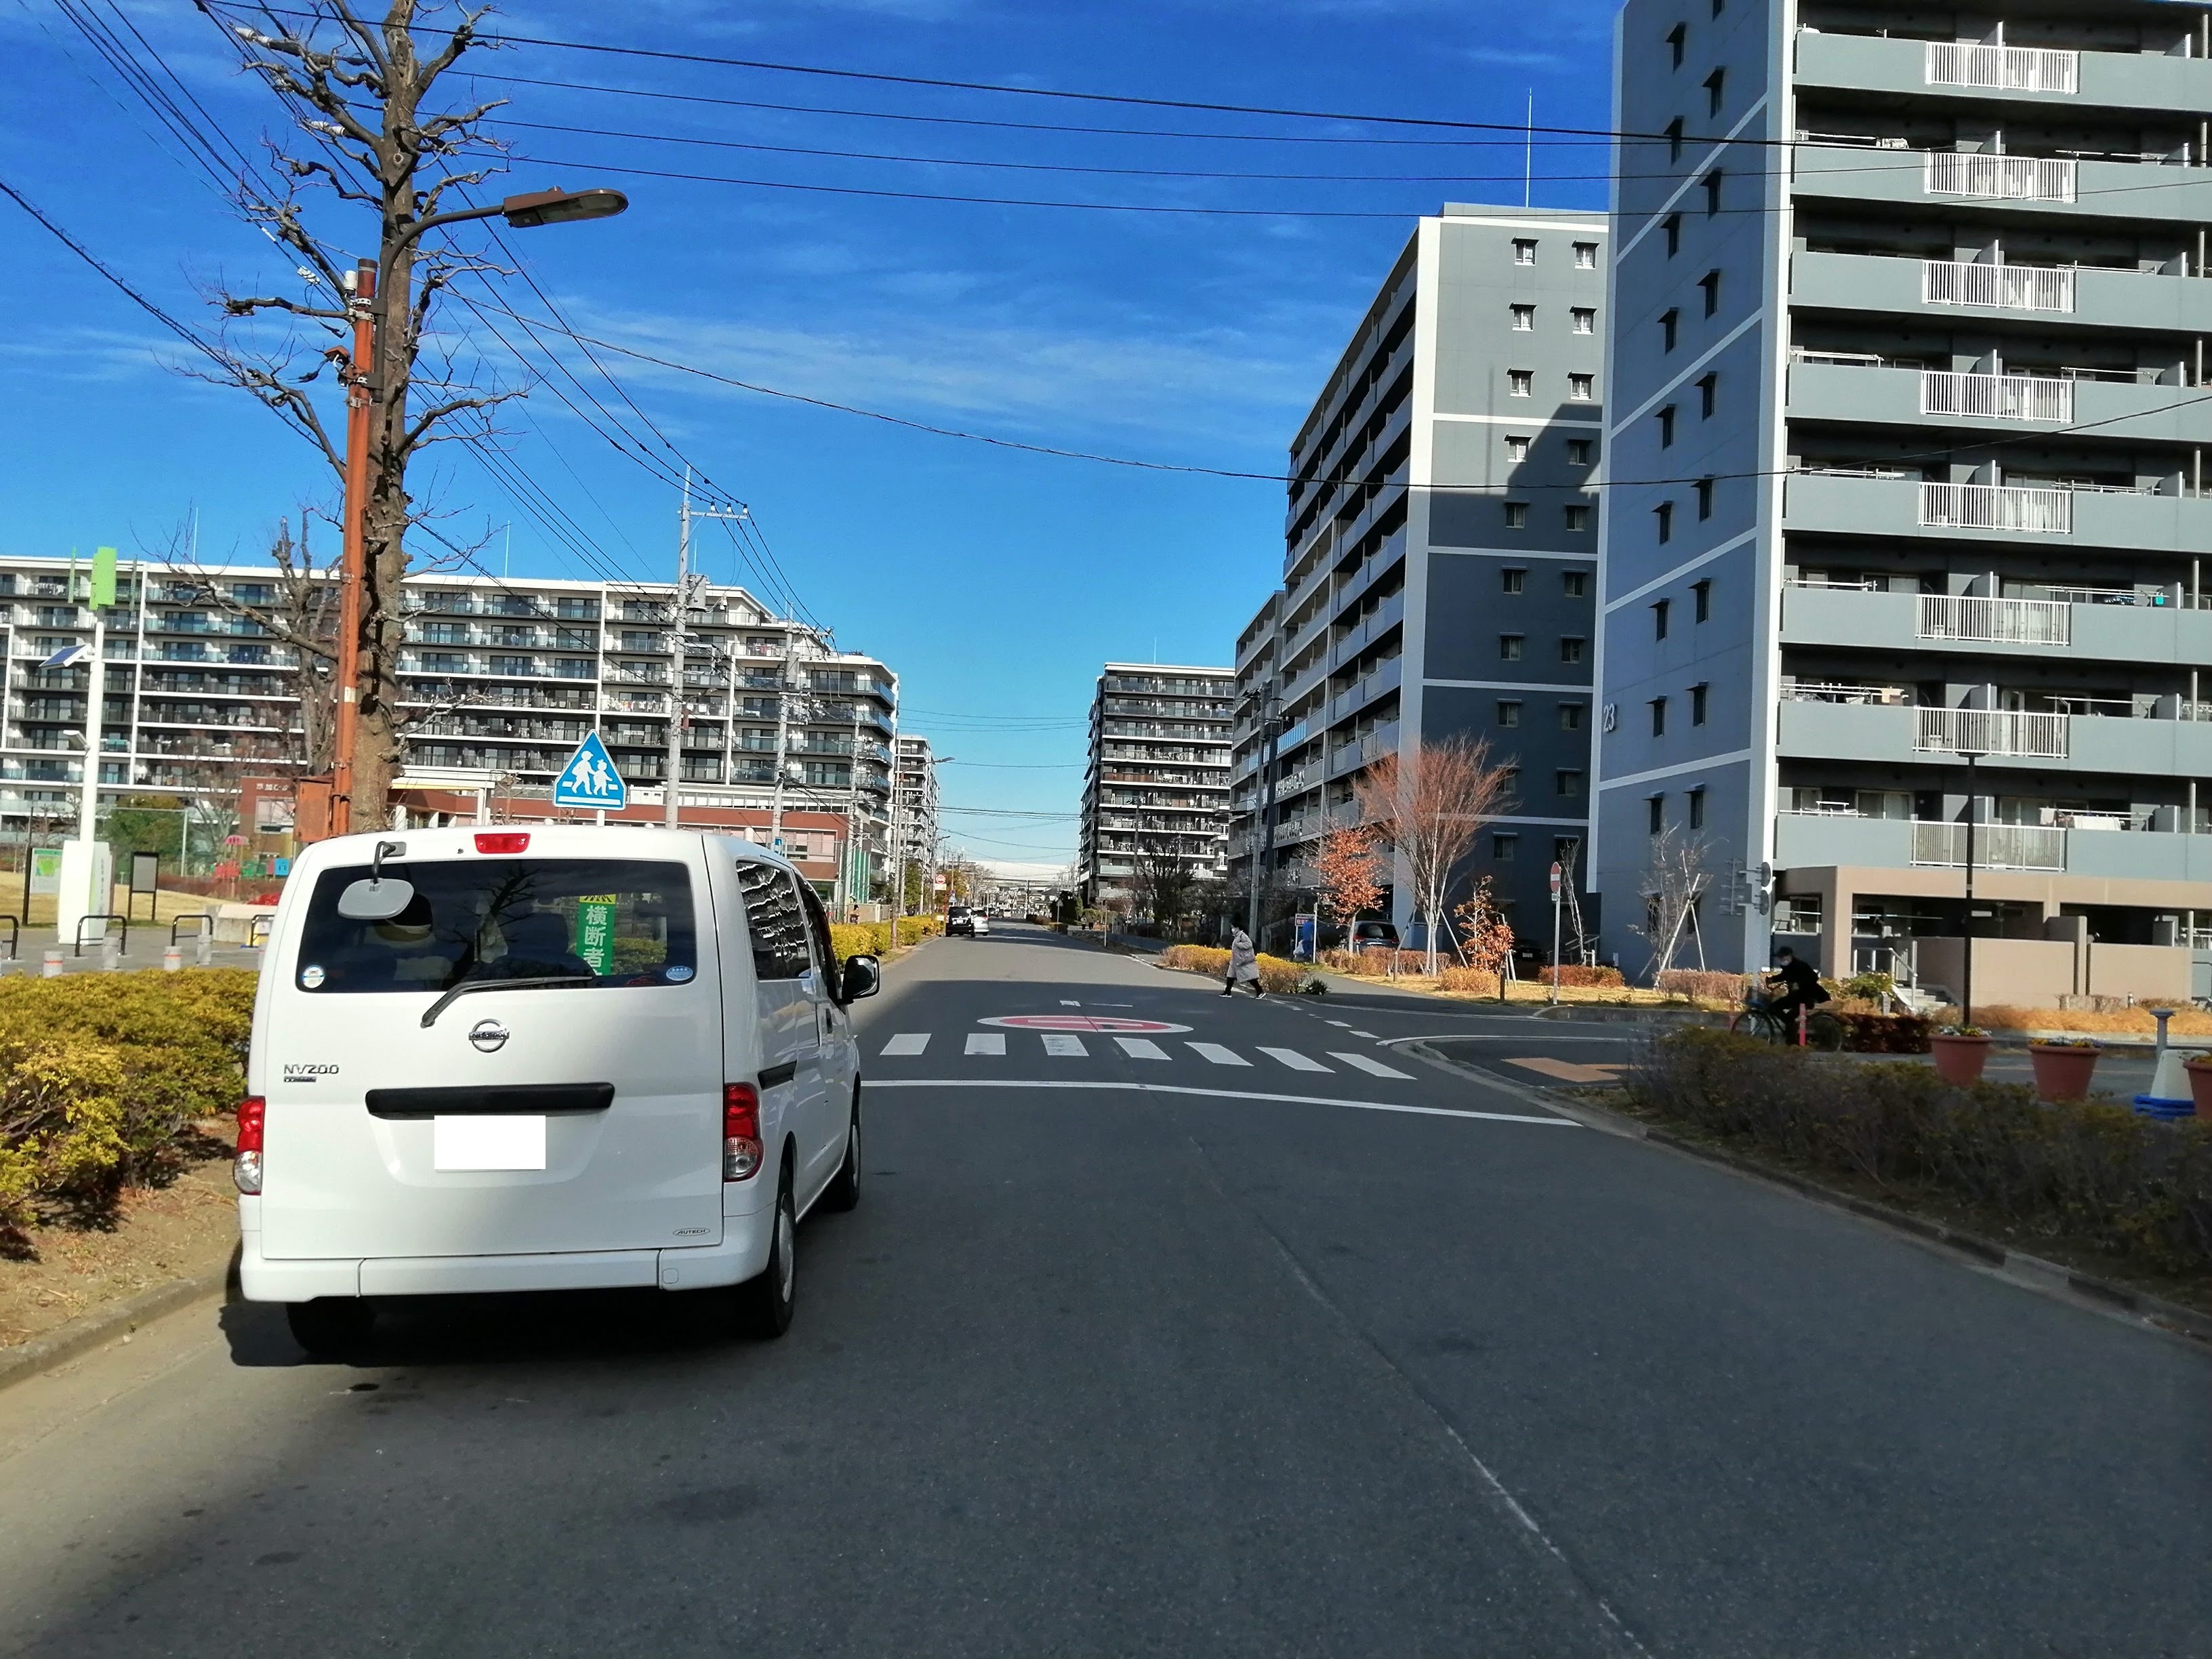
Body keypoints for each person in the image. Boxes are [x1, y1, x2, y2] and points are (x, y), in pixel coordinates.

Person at [1763, 945, 1828, 1031]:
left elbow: (1813, 977)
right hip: (1797, 997)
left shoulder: (1800, 965)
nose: (1781, 960)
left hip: (1807, 996)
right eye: (1779, 957)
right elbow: (1785, 976)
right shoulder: (1788, 966)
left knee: (1780, 1011)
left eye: (1782, 957)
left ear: (1790, 956)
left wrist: (1799, 984)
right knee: (1781, 1011)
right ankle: (1792, 1033)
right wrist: (1772, 979)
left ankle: (1793, 1037)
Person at [1223, 927, 1264, 998]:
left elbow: (1249, 945)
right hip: (1235, 960)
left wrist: (1238, 944)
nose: (1232, 929)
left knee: (1249, 977)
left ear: (1238, 928)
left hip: (1241, 961)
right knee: (1230, 975)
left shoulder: (1243, 936)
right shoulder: (1237, 936)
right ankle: (1228, 992)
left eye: (1234, 927)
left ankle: (1260, 991)